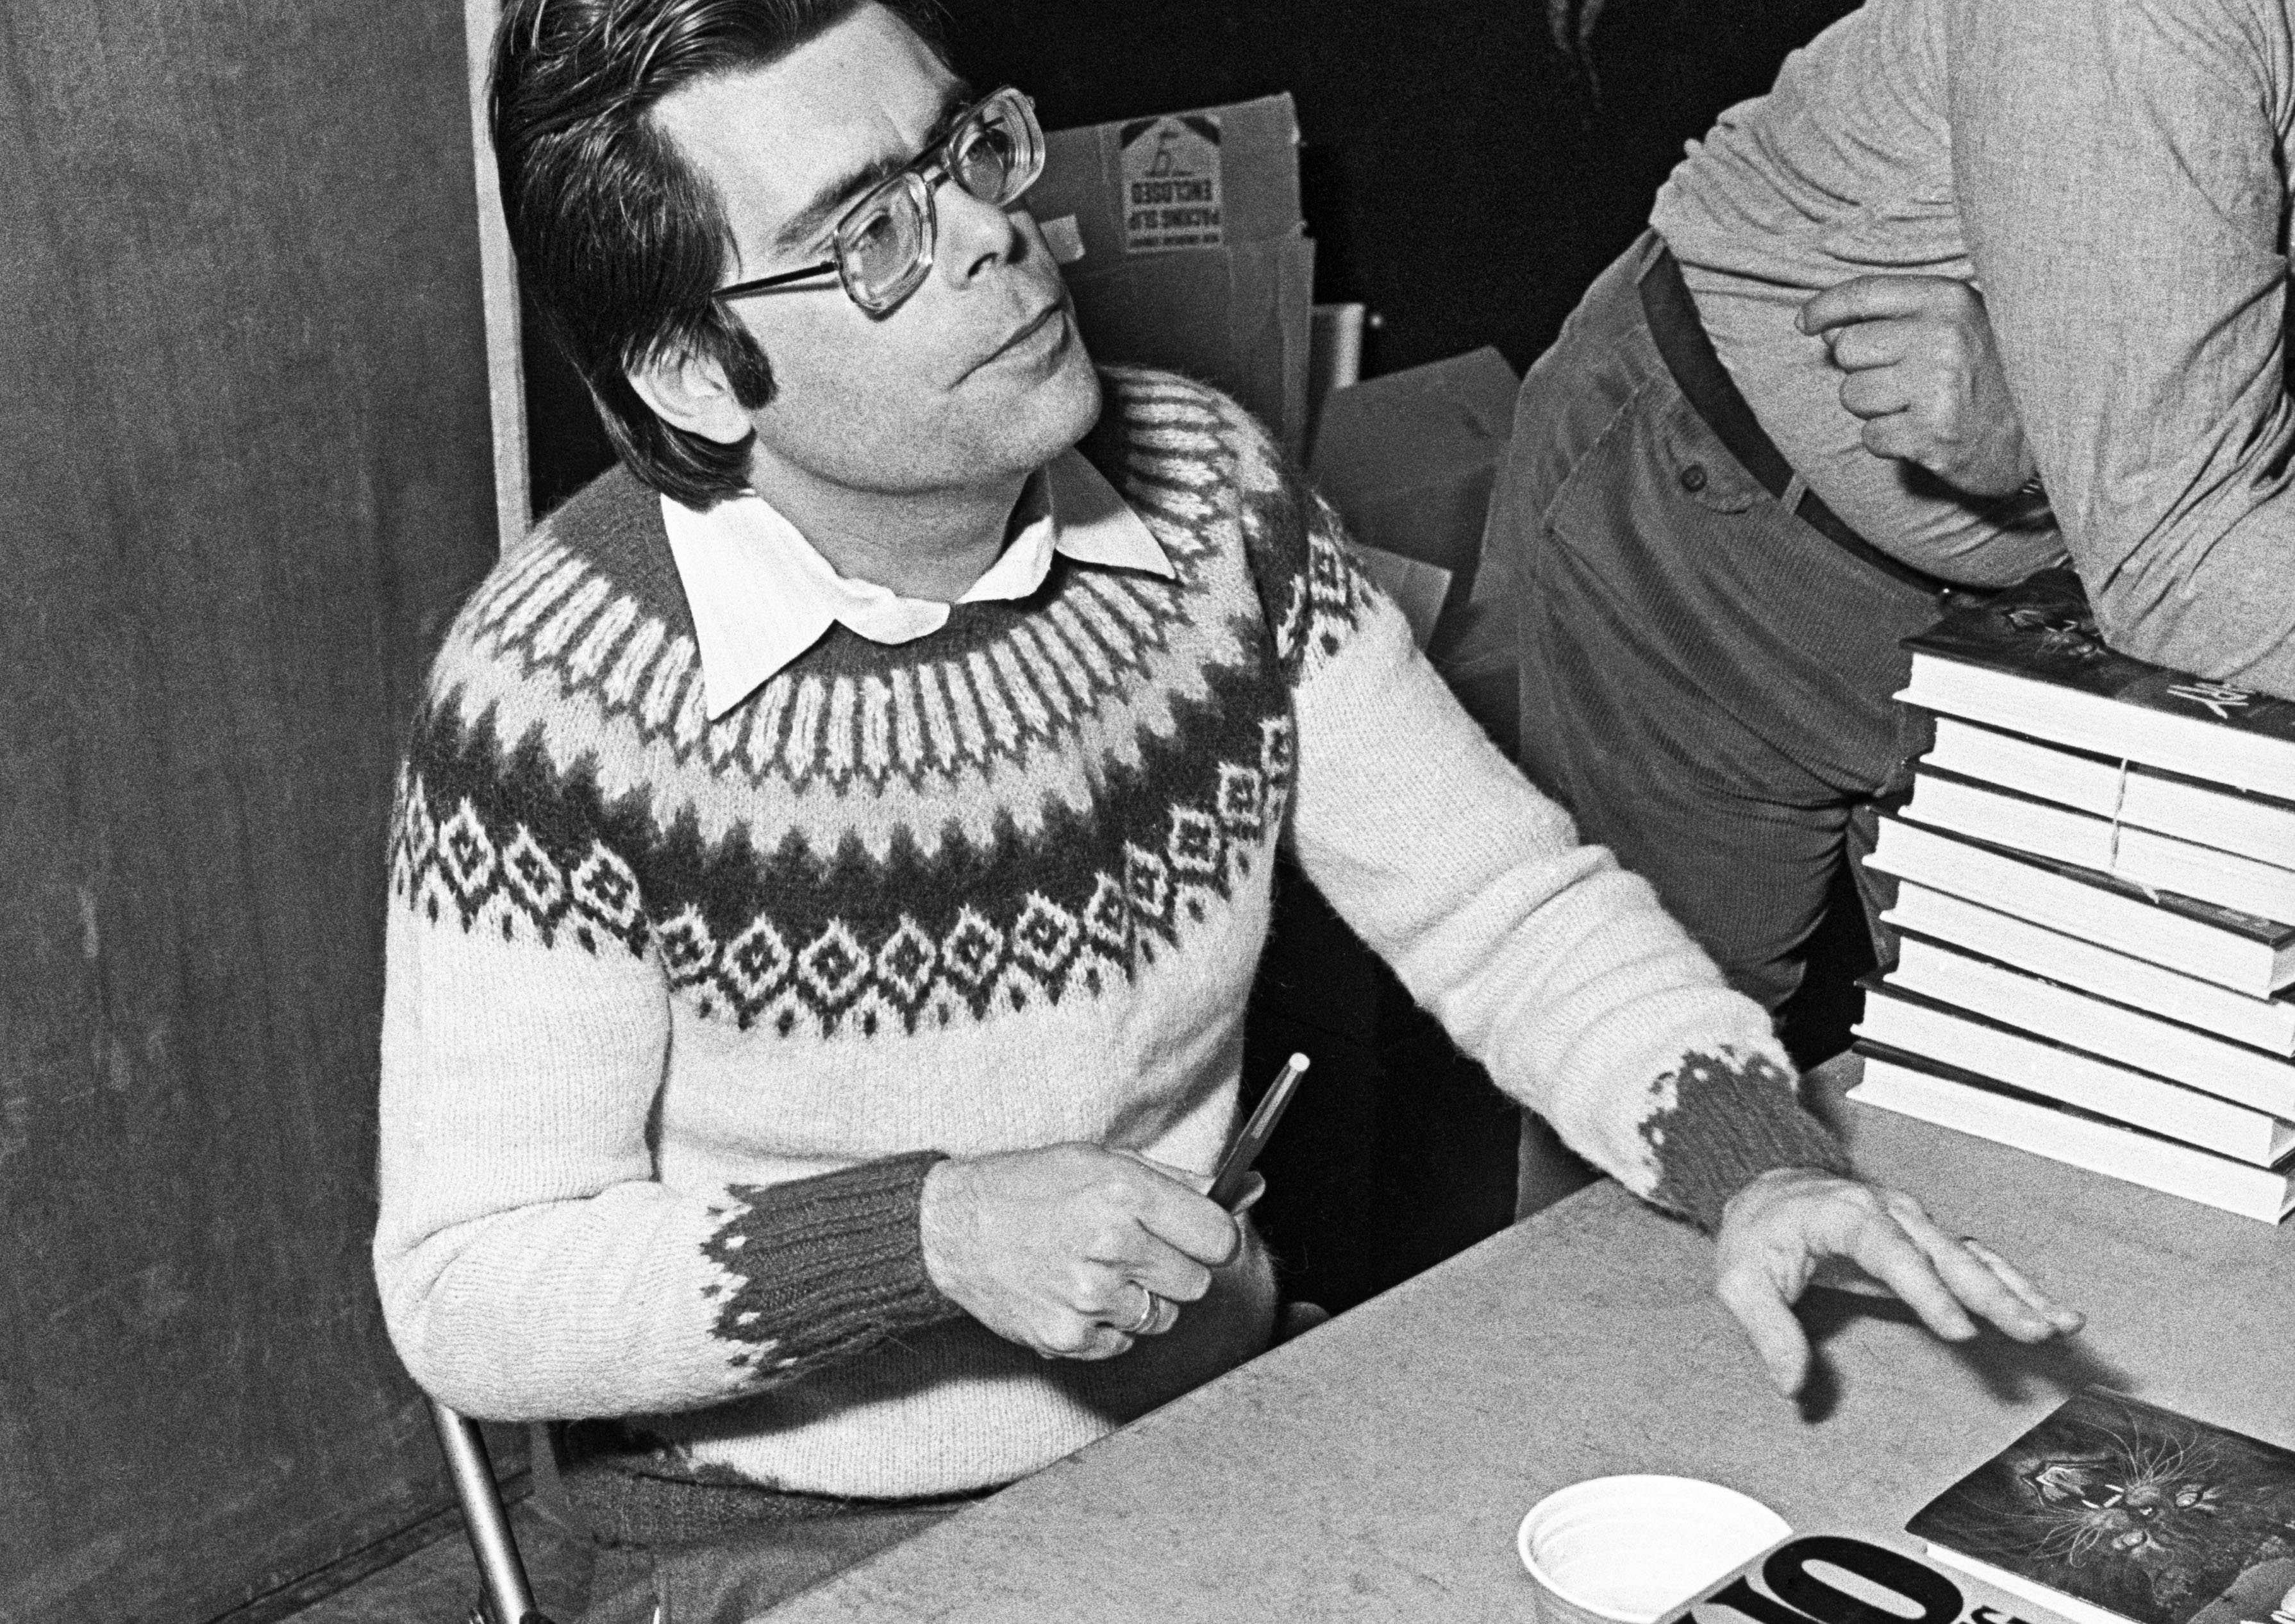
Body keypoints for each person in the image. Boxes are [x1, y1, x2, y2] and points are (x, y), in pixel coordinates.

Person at [372, 1, 2080, 1616]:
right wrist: (926, 1230)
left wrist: (1749, 1162)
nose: (988, 234)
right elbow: (472, 1283)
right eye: (872, 234)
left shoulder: (1204, 492)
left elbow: (1500, 900)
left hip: (1209, 1409)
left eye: (967, 154)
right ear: (690, 370)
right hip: (758, 1537)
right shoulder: (550, 705)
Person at [1449, 0, 2295, 1021]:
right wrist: (2084, 425)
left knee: (2041, 1083)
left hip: (2036, 601)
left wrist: (2063, 418)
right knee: (1673, 1073)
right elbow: (2181, 553)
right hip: (1718, 530)